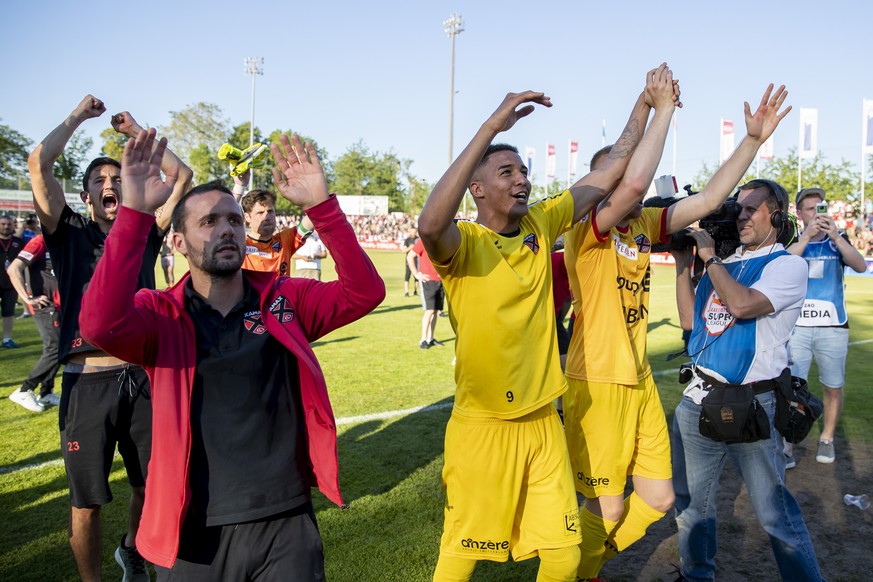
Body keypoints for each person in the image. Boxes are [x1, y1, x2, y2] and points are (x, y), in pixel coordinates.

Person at [79, 130, 384, 579]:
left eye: (233, 220)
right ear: (178, 243)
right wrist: (134, 215)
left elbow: (364, 292)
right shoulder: (159, 314)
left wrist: (321, 207)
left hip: (286, 522)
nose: (226, 229)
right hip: (193, 534)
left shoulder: (284, 301)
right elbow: (98, 324)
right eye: (208, 222)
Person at [418, 64, 672, 581]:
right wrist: (491, 128)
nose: (522, 178)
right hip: (483, 429)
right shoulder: (461, 246)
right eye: (506, 172)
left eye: (523, 169)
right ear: (477, 190)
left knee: (562, 554)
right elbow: (430, 223)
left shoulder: (542, 222)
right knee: (461, 556)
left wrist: (644, 105)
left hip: (542, 424)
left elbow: (611, 171)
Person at [563, 84, 790, 580]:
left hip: (637, 379)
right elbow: (629, 181)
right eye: (624, 176)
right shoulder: (588, 225)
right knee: (610, 510)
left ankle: (581, 567)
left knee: (660, 496)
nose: (636, 185)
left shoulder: (642, 220)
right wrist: (659, 110)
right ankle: (578, 573)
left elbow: (709, 198)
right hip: (598, 380)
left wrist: (751, 142)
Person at [28, 97, 192, 582]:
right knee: (88, 503)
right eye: (98, 181)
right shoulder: (68, 231)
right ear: (83, 197)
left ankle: (131, 551)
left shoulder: (142, 230)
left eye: (116, 179)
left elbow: (181, 178)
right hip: (87, 381)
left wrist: (137, 132)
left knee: (150, 484)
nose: (109, 185)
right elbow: (40, 162)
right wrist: (78, 118)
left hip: (142, 376)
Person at [671, 179, 824, 581]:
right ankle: (695, 575)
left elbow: (741, 305)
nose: (740, 216)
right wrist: (685, 265)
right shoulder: (726, 261)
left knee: (774, 513)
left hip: (754, 404)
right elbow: (690, 321)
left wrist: (711, 260)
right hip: (697, 399)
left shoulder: (787, 265)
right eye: (737, 208)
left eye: (750, 208)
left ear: (776, 215)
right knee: (691, 507)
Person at [785, 188, 867, 466]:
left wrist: (835, 236)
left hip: (833, 326)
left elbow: (858, 265)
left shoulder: (837, 240)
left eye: (820, 208)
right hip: (798, 327)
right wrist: (806, 237)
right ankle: (788, 444)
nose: (817, 213)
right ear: (799, 214)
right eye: (810, 209)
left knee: (833, 387)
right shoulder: (795, 241)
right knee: (793, 388)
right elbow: (782, 266)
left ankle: (827, 438)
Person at [7, 234, 62, 412]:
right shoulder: (40, 241)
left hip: (59, 307)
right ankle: (25, 389)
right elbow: (13, 269)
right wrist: (28, 299)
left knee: (62, 348)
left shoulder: (65, 241)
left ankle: (46, 392)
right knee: (55, 348)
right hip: (45, 306)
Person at [233, 169, 316, 275]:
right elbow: (221, 220)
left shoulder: (285, 240)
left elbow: (312, 219)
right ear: (247, 217)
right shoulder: (240, 244)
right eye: (260, 213)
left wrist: (310, 194)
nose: (267, 216)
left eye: (270, 211)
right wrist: (239, 187)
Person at [407, 238, 444, 349]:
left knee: (436, 311)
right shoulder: (425, 241)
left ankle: (430, 338)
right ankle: (423, 339)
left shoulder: (442, 240)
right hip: (428, 281)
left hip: (441, 281)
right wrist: (417, 274)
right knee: (430, 310)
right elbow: (410, 256)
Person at [0, 214, 25, 347]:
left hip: (11, 284)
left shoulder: (19, 242)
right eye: (3, 224)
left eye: (8, 224)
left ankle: (7, 339)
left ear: (13, 225)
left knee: (8, 312)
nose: (6, 226)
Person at [401, 228, 418, 296]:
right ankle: (406, 292)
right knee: (407, 276)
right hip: (408, 261)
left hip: (417, 260)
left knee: (416, 276)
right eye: (410, 231)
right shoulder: (407, 240)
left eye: (413, 232)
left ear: (416, 232)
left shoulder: (418, 240)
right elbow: (403, 250)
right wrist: (410, 248)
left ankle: (415, 291)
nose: (411, 233)